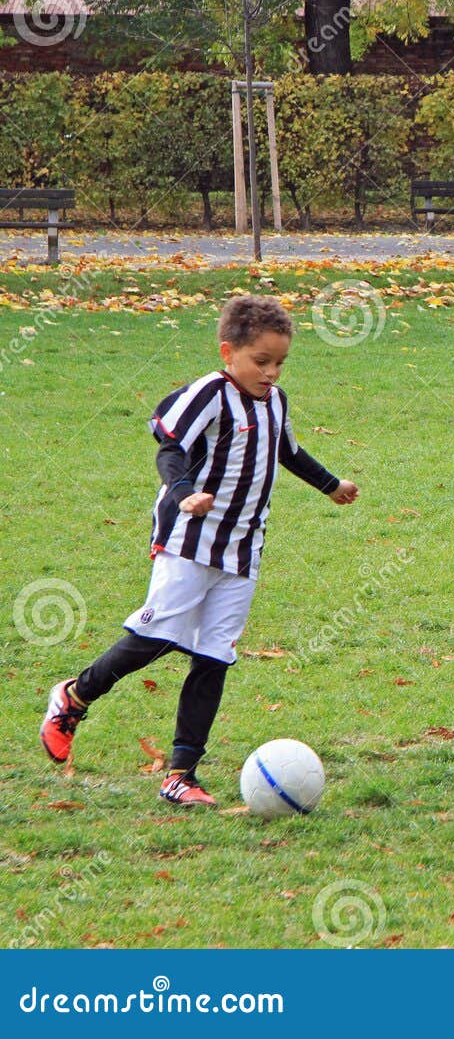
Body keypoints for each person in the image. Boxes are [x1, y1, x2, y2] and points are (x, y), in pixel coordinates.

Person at [39, 295, 359, 805]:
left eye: (280, 362)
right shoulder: (209, 393)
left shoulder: (275, 401)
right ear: (228, 351)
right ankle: (74, 697)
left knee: (214, 655)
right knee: (156, 635)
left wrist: (330, 485)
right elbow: (170, 447)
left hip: (242, 549)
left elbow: (287, 452)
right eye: (261, 361)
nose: (272, 372)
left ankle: (181, 774)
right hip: (190, 539)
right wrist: (186, 491)